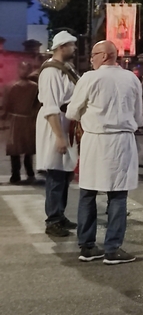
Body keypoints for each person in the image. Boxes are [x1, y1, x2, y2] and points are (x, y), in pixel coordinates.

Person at [66, 40, 143, 264]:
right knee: (118, 195)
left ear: (104, 56)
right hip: (121, 141)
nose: (91, 59)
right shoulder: (132, 79)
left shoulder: (89, 78)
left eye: (93, 54)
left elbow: (72, 112)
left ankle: (87, 246)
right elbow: (138, 117)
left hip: (95, 141)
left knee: (88, 193)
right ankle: (113, 248)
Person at [36, 31, 79, 237]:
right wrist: (59, 136)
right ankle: (52, 220)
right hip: (56, 125)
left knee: (64, 173)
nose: (75, 48)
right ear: (62, 47)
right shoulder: (51, 72)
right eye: (72, 45)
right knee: (55, 173)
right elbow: (51, 106)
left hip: (65, 123)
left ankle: (59, 215)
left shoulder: (66, 69)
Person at [3, 62, 39, 185]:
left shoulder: (34, 87)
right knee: (16, 149)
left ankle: (28, 172)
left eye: (26, 69)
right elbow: (7, 104)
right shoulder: (13, 86)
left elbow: (37, 104)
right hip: (18, 120)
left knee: (27, 148)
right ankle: (17, 174)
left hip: (25, 120)